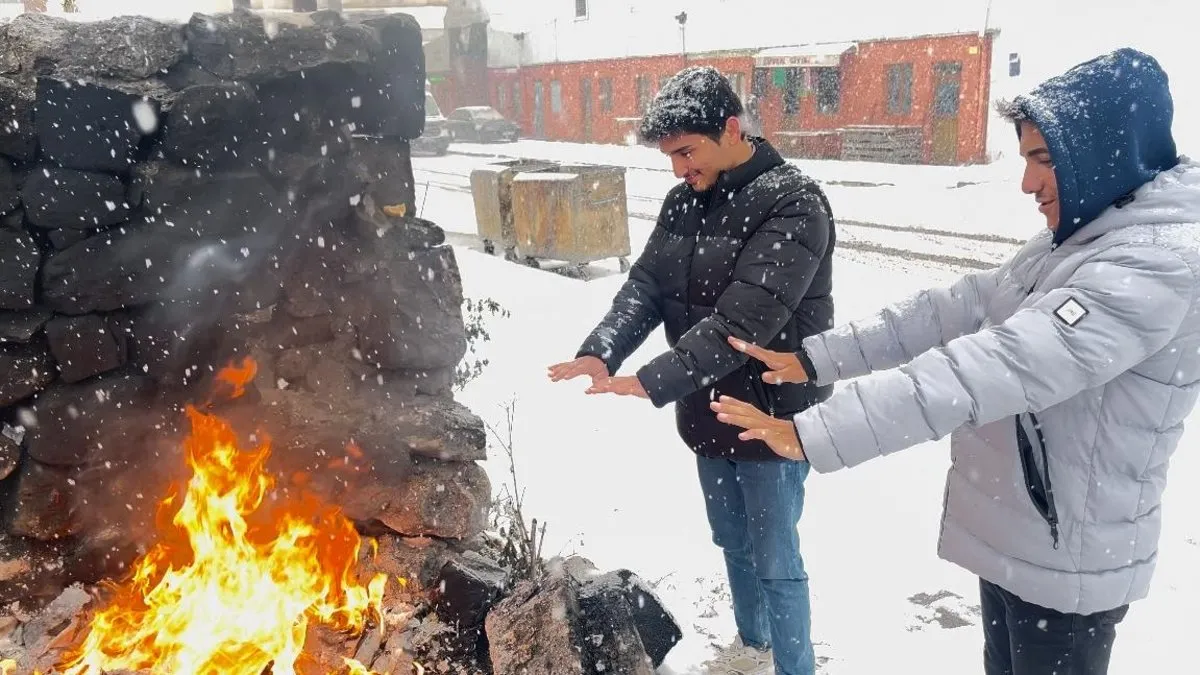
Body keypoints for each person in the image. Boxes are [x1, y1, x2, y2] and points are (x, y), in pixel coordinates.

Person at [712, 48, 1199, 675]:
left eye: (1044, 159)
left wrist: (818, 430)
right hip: (1024, 539)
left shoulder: (1153, 265)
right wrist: (816, 358)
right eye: (1026, 159)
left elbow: (1005, 362)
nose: (1028, 183)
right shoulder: (1081, 238)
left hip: (1066, 561)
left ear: (1109, 154)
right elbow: (960, 307)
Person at [548, 66, 836, 675]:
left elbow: (745, 321)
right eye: (670, 156)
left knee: (776, 559)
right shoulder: (687, 201)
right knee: (732, 540)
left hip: (771, 412)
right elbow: (647, 285)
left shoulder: (793, 202)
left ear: (731, 129)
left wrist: (652, 380)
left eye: (685, 151)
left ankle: (793, 667)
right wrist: (604, 349)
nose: (678, 169)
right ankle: (753, 646)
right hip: (706, 406)